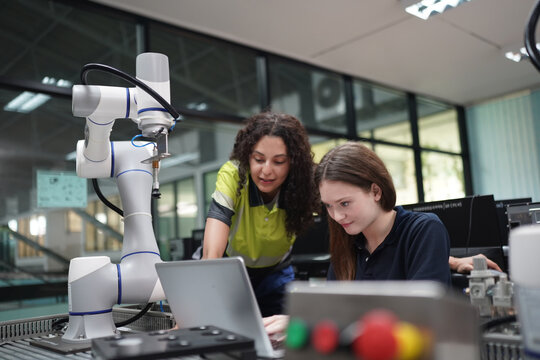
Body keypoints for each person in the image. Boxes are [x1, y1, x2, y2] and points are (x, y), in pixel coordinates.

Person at [202, 111, 318, 317]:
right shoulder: (234, 175)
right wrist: (200, 302)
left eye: (279, 161)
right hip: (231, 272)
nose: (267, 171)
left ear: (293, 162)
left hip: (277, 274)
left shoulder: (304, 184)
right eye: (259, 159)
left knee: (284, 338)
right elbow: (212, 253)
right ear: (248, 156)